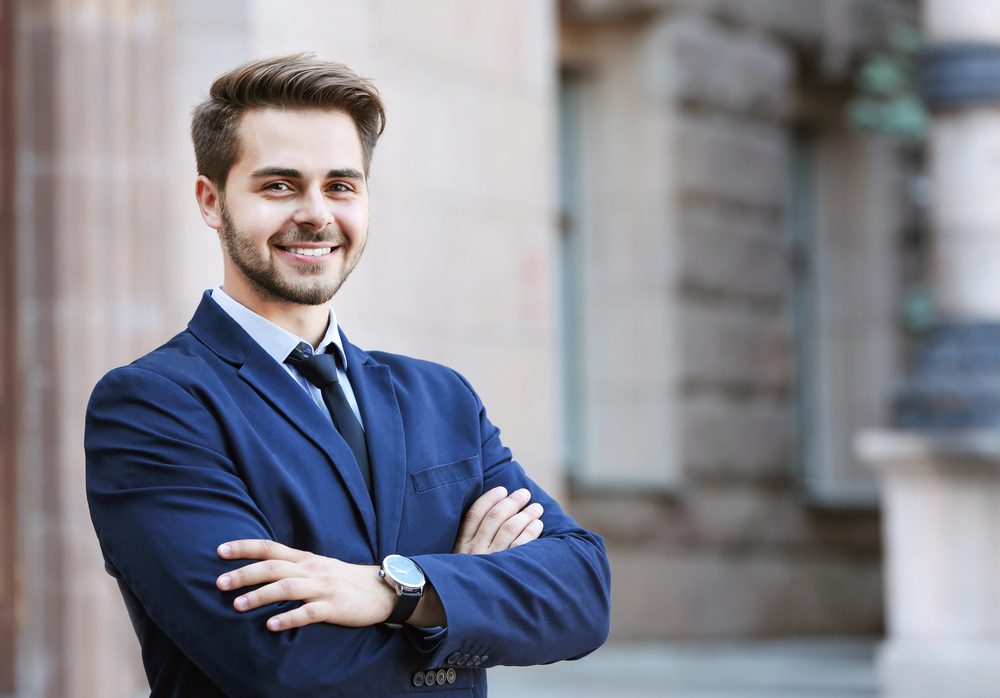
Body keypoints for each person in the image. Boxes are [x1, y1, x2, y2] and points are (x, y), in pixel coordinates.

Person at [85, 54, 610, 697]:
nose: (316, 214)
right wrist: (455, 602)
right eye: (279, 185)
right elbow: (278, 663)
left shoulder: (440, 398)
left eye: (341, 185)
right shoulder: (153, 405)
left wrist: (389, 588)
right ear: (211, 201)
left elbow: (582, 593)